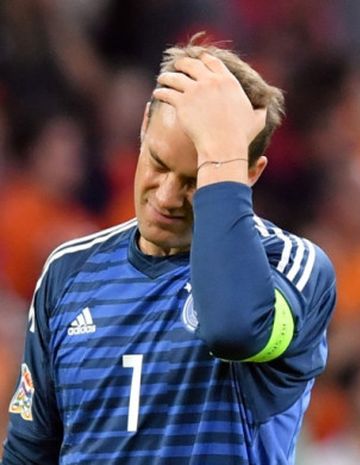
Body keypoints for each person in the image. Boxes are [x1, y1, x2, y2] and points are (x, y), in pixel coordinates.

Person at [2, 34, 336, 465]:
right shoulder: (69, 271)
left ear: (248, 173)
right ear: (144, 126)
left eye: (195, 179)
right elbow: (30, 453)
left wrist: (221, 153)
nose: (166, 197)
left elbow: (233, 329)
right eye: (158, 163)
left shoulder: (292, 267)